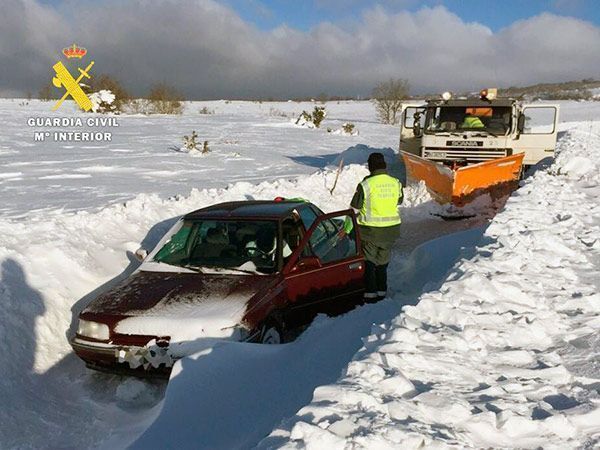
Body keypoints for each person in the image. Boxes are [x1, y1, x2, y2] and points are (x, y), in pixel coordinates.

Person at [350, 153, 402, 302]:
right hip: (391, 231)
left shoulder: (366, 184)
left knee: (369, 263)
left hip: (370, 232)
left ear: (370, 166)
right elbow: (399, 200)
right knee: (383, 263)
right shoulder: (395, 183)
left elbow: (355, 206)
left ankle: (370, 295)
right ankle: (382, 292)